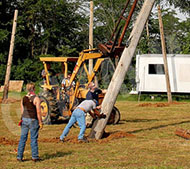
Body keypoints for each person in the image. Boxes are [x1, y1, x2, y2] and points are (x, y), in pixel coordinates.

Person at [17, 83, 43, 162]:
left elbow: (22, 111)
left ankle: (19, 156)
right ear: (34, 89)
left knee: (22, 139)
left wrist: (21, 119)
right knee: (33, 139)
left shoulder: (23, 98)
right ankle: (35, 157)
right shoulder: (36, 98)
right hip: (33, 120)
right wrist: (40, 122)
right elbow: (38, 112)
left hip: (24, 119)